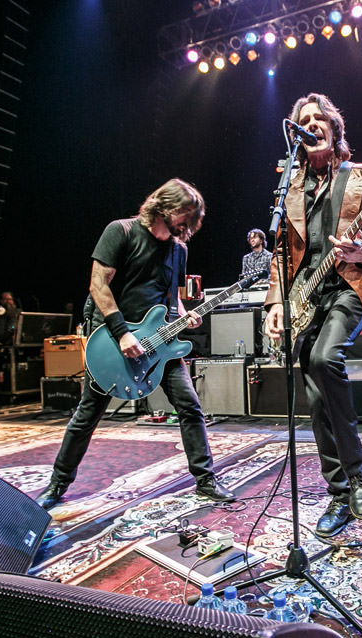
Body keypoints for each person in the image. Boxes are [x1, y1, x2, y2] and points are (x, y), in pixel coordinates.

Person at [35, 178, 236, 510]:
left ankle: (206, 480)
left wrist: (185, 315)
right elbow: (98, 285)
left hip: (160, 343)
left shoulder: (178, 249)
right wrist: (122, 332)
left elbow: (171, 298)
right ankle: (57, 484)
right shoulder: (122, 232)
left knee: (189, 406)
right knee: (88, 413)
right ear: (166, 207)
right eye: (186, 216)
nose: (189, 226)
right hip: (113, 339)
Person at [263, 93, 362, 538]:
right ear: (297, 134)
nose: (313, 124)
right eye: (305, 120)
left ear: (335, 129)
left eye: (321, 118)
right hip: (307, 298)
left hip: (351, 287)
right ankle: (339, 494)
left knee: (324, 359)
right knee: (316, 397)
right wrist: (277, 302)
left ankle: (359, 478)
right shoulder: (291, 187)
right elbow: (280, 253)